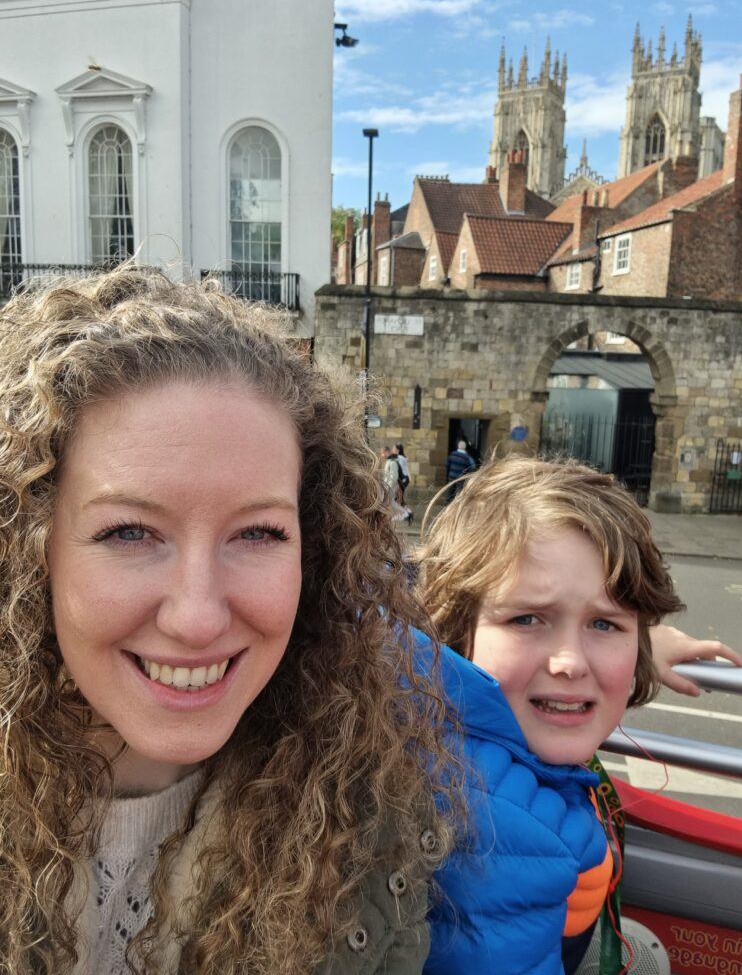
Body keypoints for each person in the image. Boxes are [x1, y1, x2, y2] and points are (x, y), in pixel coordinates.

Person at [0, 267, 457, 975]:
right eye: (129, 532)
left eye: (258, 534)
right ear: (31, 550)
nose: (197, 617)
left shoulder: (366, 822)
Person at [416, 457, 687, 975]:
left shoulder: (460, 744)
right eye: (527, 619)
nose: (570, 662)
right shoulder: (501, 833)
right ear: (455, 631)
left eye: (605, 625)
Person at [382, 445, 413, 524]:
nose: (382, 455)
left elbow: (394, 476)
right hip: (392, 485)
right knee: (393, 501)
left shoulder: (393, 462)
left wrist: (388, 486)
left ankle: (405, 514)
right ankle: (404, 513)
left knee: (392, 501)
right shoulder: (391, 461)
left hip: (393, 485)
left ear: (386, 452)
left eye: (382, 453)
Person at [393, 444, 411, 508]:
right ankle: (406, 512)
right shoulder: (400, 457)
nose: (393, 450)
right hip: (404, 478)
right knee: (399, 496)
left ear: (398, 450)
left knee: (398, 495)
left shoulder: (399, 458)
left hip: (404, 479)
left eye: (394, 449)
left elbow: (399, 470)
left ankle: (406, 512)